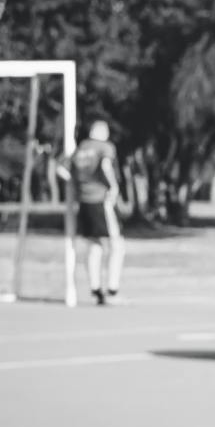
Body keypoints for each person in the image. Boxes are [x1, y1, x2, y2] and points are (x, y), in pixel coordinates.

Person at [60, 120, 126, 305]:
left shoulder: (80, 149)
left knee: (95, 245)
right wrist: (113, 187)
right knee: (117, 245)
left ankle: (96, 291)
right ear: (100, 131)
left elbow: (61, 169)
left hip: (85, 202)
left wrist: (77, 186)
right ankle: (112, 291)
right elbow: (105, 166)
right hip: (101, 200)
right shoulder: (104, 147)